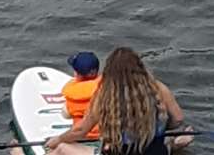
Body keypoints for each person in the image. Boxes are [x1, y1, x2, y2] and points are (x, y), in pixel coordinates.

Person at [43, 46, 190, 154]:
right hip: (156, 152)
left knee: (62, 149)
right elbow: (178, 119)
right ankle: (173, 144)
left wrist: (59, 139)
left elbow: (81, 130)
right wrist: (159, 129)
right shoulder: (158, 88)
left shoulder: (105, 96)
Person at [61, 52, 102, 141]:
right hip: (105, 136)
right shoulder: (107, 88)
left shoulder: (74, 95)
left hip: (83, 137)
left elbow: (65, 114)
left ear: (76, 73)